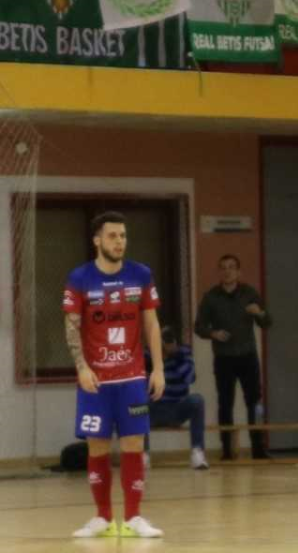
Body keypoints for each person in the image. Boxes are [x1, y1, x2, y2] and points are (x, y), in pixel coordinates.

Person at [65, 211, 166, 539]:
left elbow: (151, 324)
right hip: (96, 381)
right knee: (97, 448)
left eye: (122, 235)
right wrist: (81, 367)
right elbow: (72, 326)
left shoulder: (141, 274)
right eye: (112, 236)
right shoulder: (80, 278)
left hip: (132, 378)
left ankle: (134, 517)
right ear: (97, 240)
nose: (119, 241)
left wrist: (158, 369)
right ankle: (103, 518)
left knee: (134, 444)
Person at [195, 254, 272, 461]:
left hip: (248, 357)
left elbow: (267, 322)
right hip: (224, 358)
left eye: (231, 267)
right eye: (223, 268)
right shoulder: (211, 296)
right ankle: (227, 450)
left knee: (255, 403)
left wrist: (259, 313)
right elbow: (199, 326)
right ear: (219, 272)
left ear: (239, 272)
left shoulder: (249, 293)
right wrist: (213, 333)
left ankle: (258, 448)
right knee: (225, 404)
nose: (227, 271)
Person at [145, 329, 208, 470]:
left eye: (170, 341)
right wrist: (157, 360)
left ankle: (197, 452)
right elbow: (142, 382)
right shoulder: (149, 356)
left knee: (197, 400)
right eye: (164, 341)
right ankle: (143, 454)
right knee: (137, 404)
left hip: (177, 409)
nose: (167, 345)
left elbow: (190, 378)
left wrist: (175, 357)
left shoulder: (183, 354)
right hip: (154, 409)